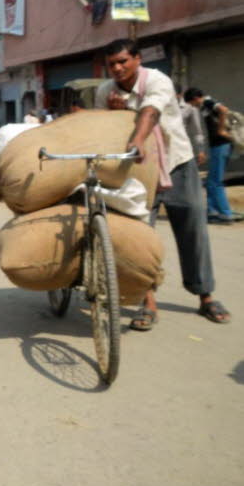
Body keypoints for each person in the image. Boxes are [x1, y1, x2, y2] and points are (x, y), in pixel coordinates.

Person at [94, 38, 229, 328]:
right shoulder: (105, 91)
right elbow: (103, 128)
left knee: (193, 231)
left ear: (137, 59)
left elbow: (151, 111)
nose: (117, 68)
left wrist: (137, 139)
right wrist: (114, 113)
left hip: (176, 163)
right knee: (139, 239)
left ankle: (205, 295)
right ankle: (147, 301)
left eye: (123, 61)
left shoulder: (158, 80)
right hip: (135, 172)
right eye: (112, 64)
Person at [198, 91, 242, 223]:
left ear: (195, 98)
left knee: (215, 181)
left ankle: (225, 213)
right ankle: (213, 212)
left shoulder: (207, 102)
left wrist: (221, 130)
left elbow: (223, 110)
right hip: (220, 145)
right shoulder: (208, 102)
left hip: (220, 145)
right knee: (212, 181)